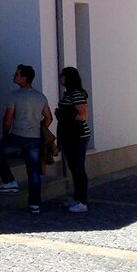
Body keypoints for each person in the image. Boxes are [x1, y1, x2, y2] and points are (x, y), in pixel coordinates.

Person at [0, 64, 53, 215]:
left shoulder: (15, 96)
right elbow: (49, 118)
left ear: (24, 78)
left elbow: (7, 118)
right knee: (33, 171)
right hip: (34, 138)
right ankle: (34, 205)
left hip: (18, 136)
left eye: (17, 74)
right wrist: (40, 127)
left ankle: (9, 181)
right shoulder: (40, 96)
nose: (14, 76)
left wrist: (5, 135)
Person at [57, 66, 91, 213]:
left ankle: (82, 201)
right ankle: (77, 198)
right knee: (74, 168)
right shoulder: (68, 93)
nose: (60, 78)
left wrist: (65, 115)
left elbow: (83, 115)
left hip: (78, 136)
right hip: (69, 136)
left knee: (78, 168)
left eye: (63, 76)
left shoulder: (76, 94)